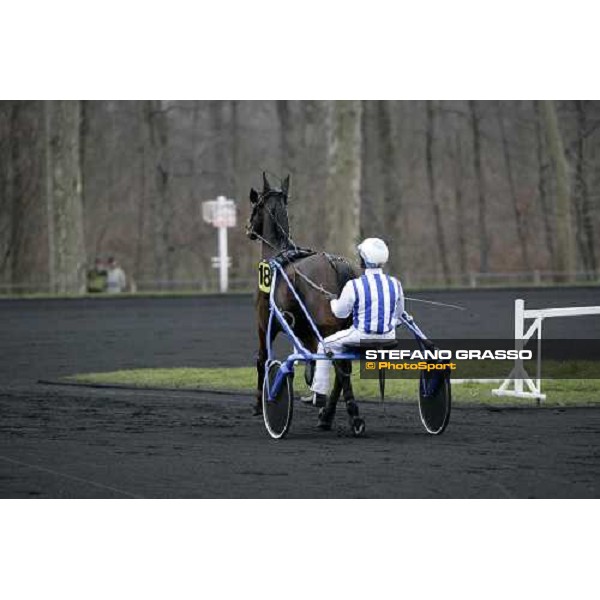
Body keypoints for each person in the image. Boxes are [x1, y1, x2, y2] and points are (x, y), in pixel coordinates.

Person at [307, 238, 404, 407]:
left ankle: (319, 393)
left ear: (363, 259)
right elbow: (399, 314)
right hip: (389, 339)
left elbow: (340, 313)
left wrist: (333, 300)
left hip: (360, 337)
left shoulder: (354, 285)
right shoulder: (395, 284)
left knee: (324, 345)